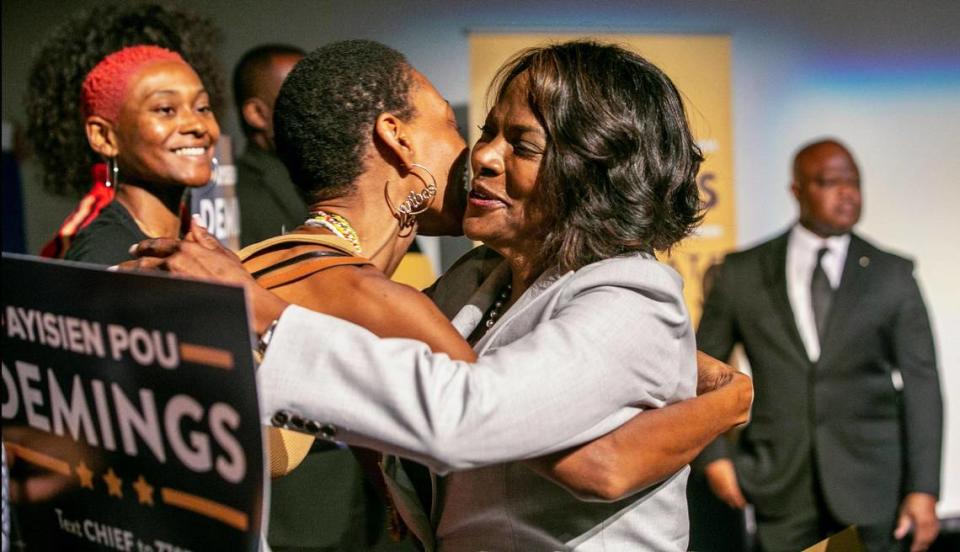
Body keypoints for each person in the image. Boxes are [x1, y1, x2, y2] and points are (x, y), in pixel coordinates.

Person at [128, 41, 753, 550]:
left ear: (593, 172)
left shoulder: (631, 294)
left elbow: (470, 414)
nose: (481, 157)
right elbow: (590, 458)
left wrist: (270, 319)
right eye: (482, 131)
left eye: (522, 145)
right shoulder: (481, 277)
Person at [695, 139, 942, 552]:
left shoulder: (892, 274)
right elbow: (698, 369)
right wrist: (714, 457)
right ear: (797, 190)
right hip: (780, 486)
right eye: (830, 182)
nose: (847, 193)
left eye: (854, 182)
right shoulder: (743, 272)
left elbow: (923, 385)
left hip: (875, 487)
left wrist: (924, 489)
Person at [26, 2, 225, 263]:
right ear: (104, 137)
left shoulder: (189, 235)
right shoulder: (104, 257)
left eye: (202, 107)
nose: (197, 126)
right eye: (166, 109)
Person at [232, 44, 309, 247]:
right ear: (257, 113)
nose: (318, 109)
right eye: (302, 98)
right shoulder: (234, 197)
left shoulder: (338, 177)